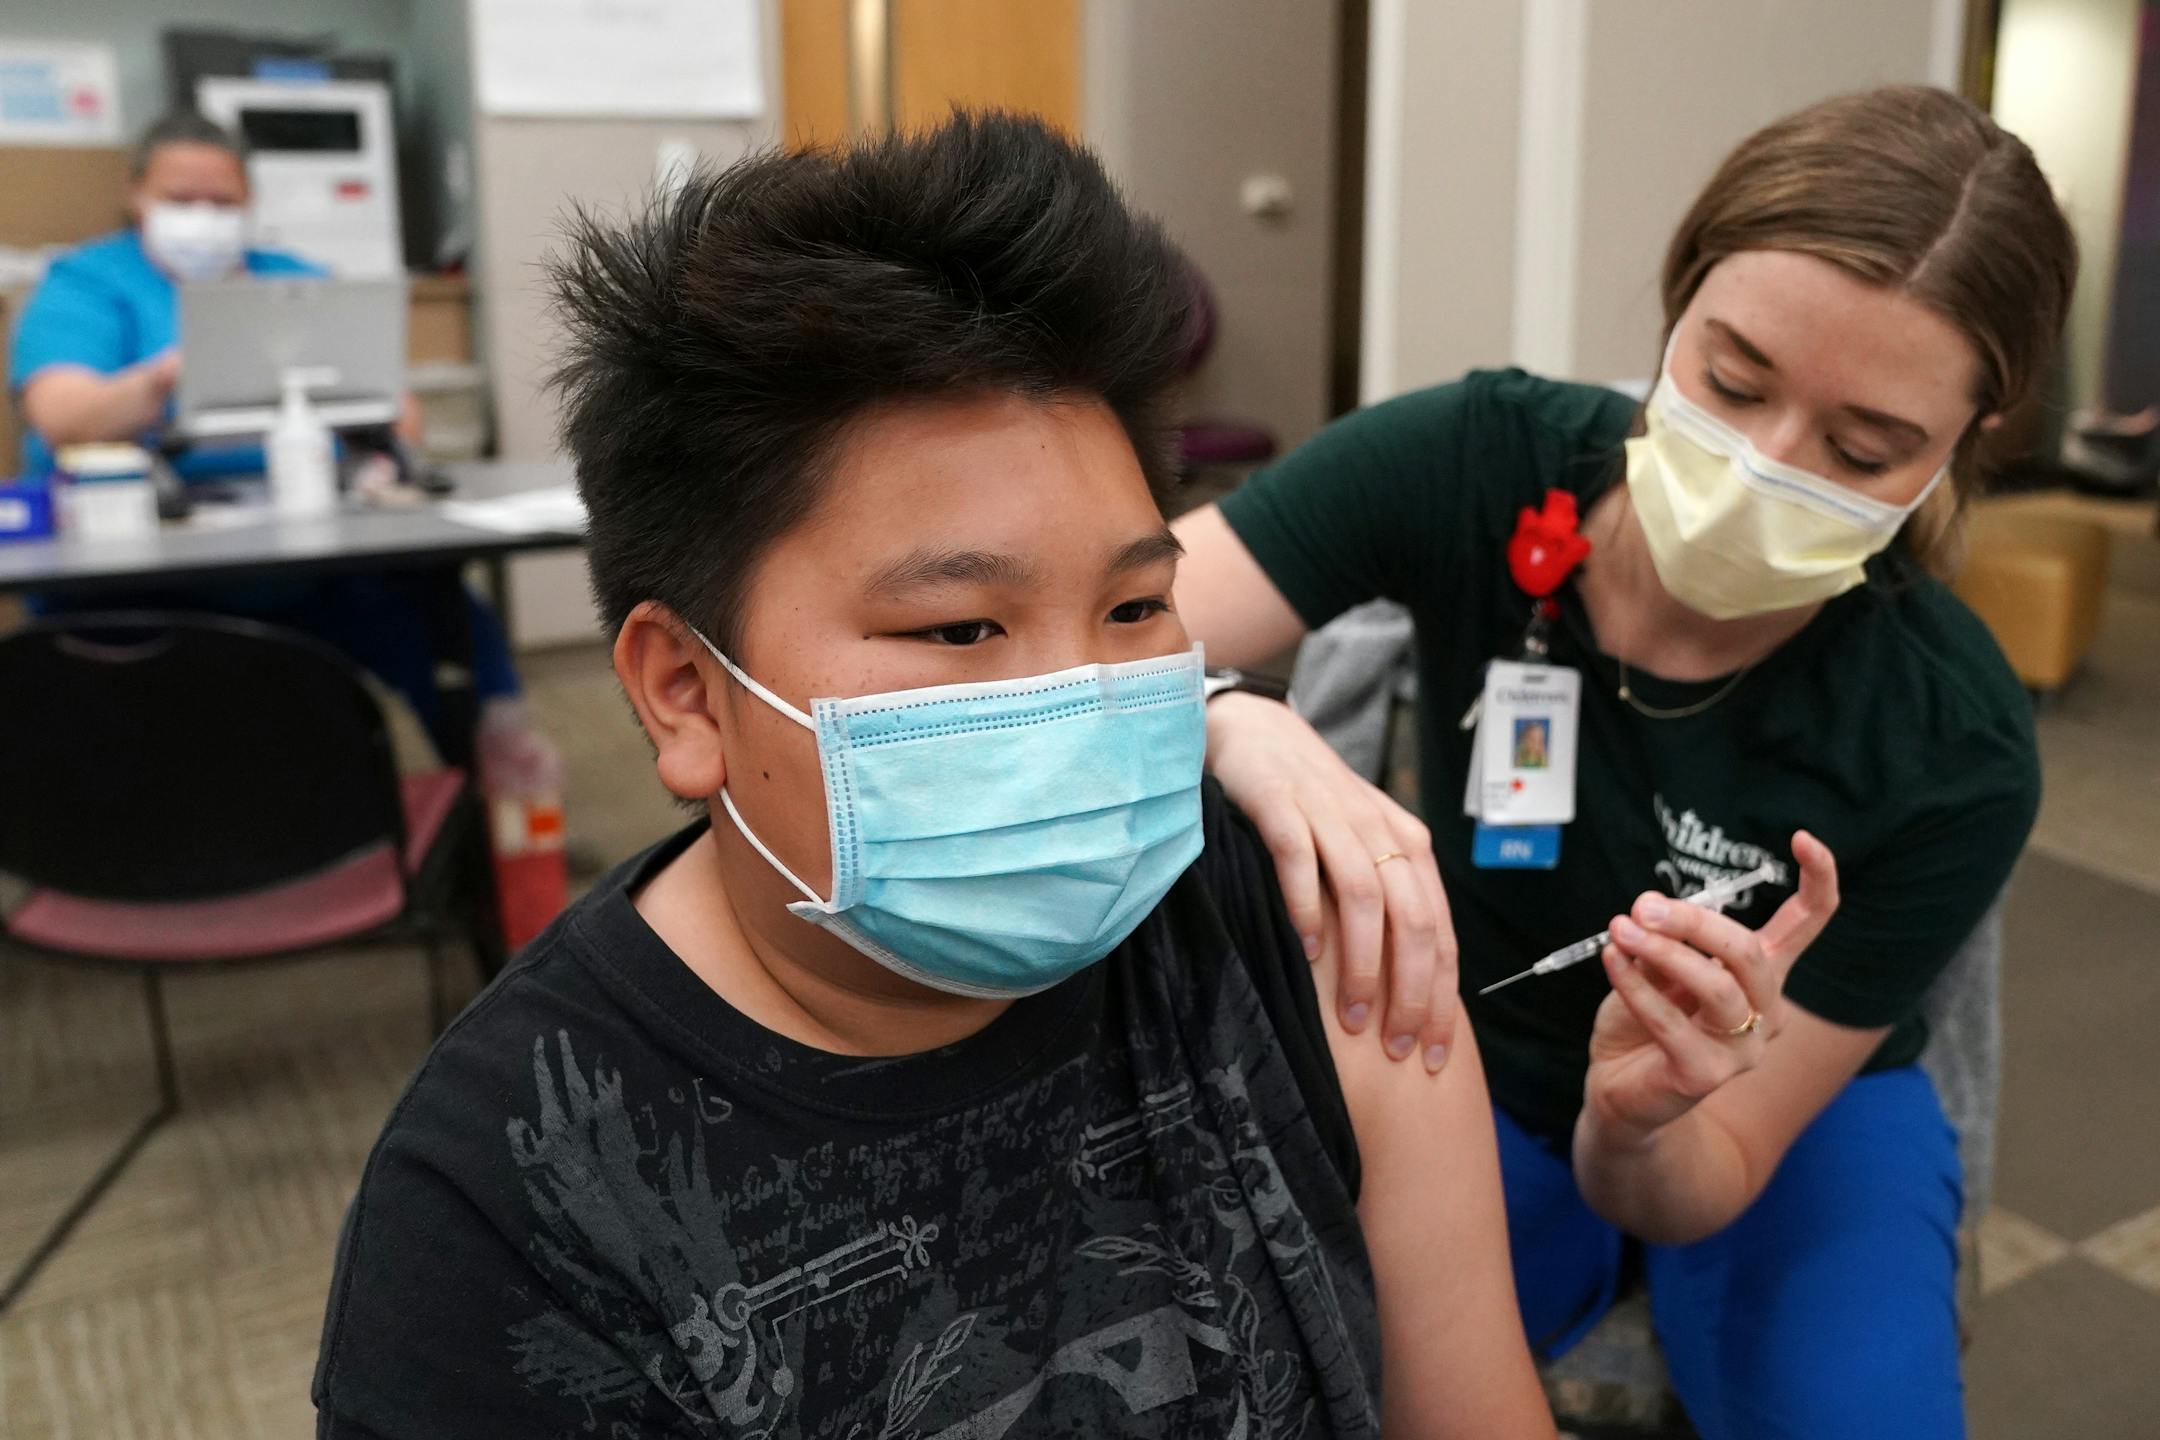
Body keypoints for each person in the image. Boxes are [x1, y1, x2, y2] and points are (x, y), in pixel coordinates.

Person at [312, 114, 1552, 1438]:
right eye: (960, 631)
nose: (1077, 708)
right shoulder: (518, 1215)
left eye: (1135, 610)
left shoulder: (1304, 916)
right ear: (687, 692)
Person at [1172, 85, 2072, 1439]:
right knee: (1274, 1377)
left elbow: (1710, 1167)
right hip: (1463, 1057)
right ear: (1676, 306)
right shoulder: (1478, 463)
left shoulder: (1954, 743)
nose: (1764, 467)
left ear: (1960, 449)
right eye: (1733, 381)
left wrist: (1646, 1125)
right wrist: (1234, 713)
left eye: (1862, 448)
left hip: (1784, 1109)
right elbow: (1088, 636)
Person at [7, 111, 524, 760]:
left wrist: (378, 448)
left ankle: (499, 789)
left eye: (220, 201)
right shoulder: (84, 284)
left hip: (310, 563)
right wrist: (168, 380)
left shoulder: (292, 280)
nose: (203, 215)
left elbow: (397, 412)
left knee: (439, 608)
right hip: (137, 578)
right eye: (180, 199)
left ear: (249, 202)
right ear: (135, 194)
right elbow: (61, 413)